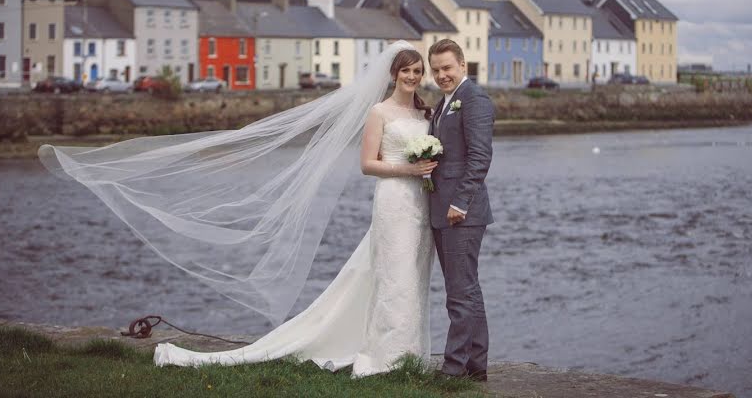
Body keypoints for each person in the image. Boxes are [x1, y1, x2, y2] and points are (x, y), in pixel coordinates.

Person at [38, 42, 440, 377]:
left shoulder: (424, 112)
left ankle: (409, 353)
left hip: (418, 204)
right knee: (394, 276)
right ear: (392, 74)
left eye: (417, 70)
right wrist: (409, 168)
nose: (412, 76)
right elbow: (367, 164)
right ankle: (388, 359)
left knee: (412, 275)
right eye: (405, 70)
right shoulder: (379, 113)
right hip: (392, 200)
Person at [427, 39, 495, 381]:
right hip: (443, 207)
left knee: (459, 293)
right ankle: (476, 365)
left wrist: (460, 202)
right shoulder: (444, 104)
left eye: (447, 68)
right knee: (467, 288)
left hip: (461, 212)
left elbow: (480, 157)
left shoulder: (474, 99)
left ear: (463, 66)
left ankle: (453, 368)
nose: (441, 75)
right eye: (436, 69)